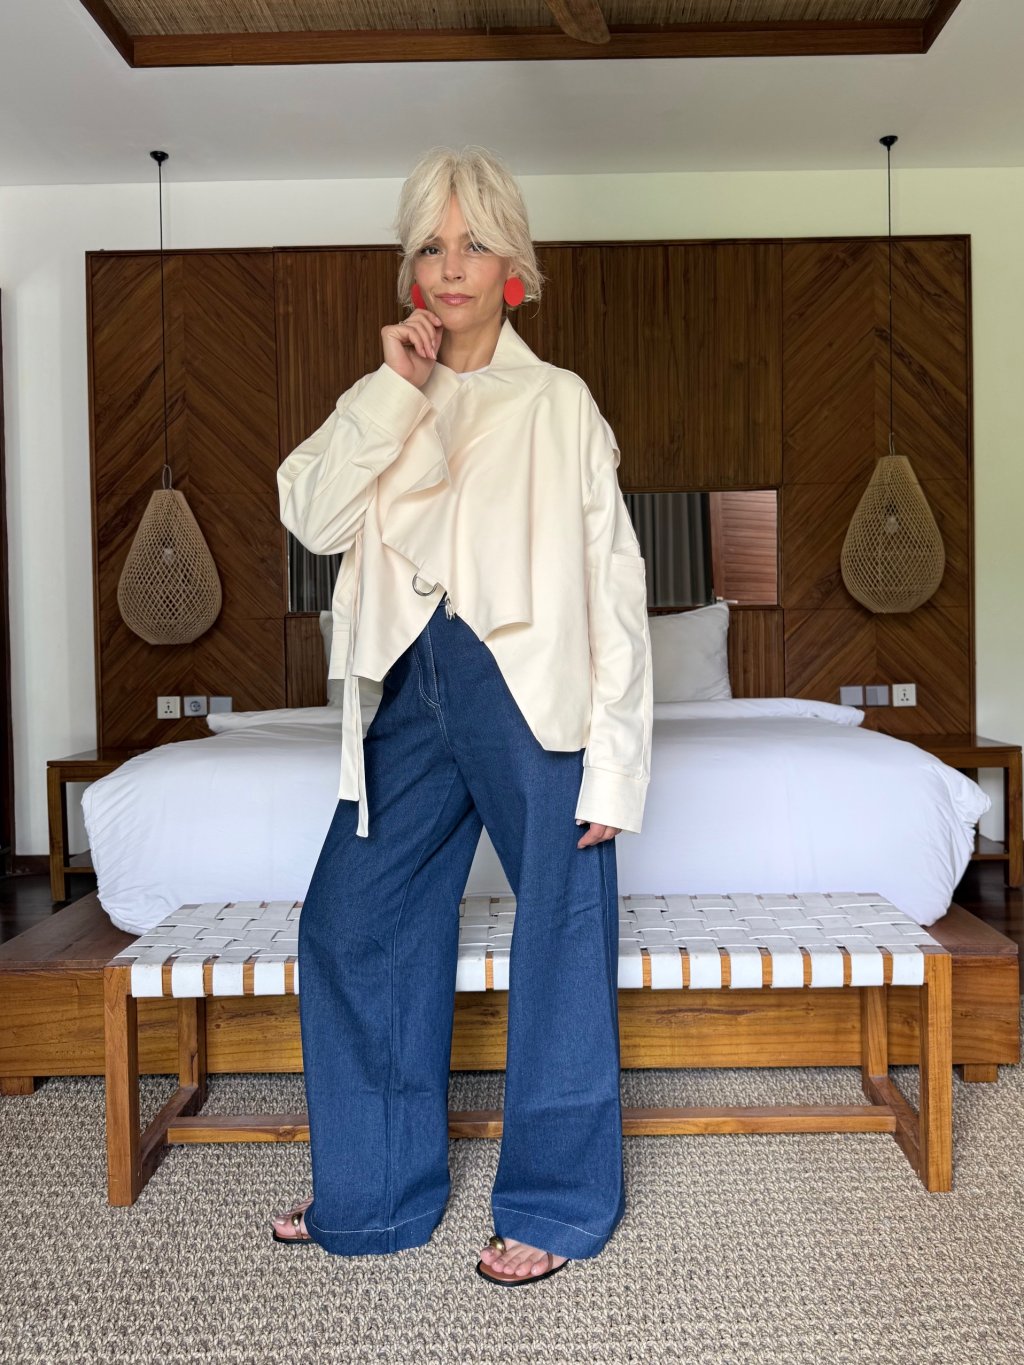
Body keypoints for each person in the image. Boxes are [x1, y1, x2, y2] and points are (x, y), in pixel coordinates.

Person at [272, 145, 653, 1286]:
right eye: (431, 246)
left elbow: (614, 585)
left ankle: (556, 1203)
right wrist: (393, 391)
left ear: (510, 266)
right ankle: (373, 1192)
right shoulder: (384, 394)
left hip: (528, 692)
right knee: (351, 922)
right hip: (407, 684)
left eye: (473, 244)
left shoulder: (558, 401)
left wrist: (616, 765)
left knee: (562, 934)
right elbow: (310, 515)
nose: (450, 266)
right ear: (409, 270)